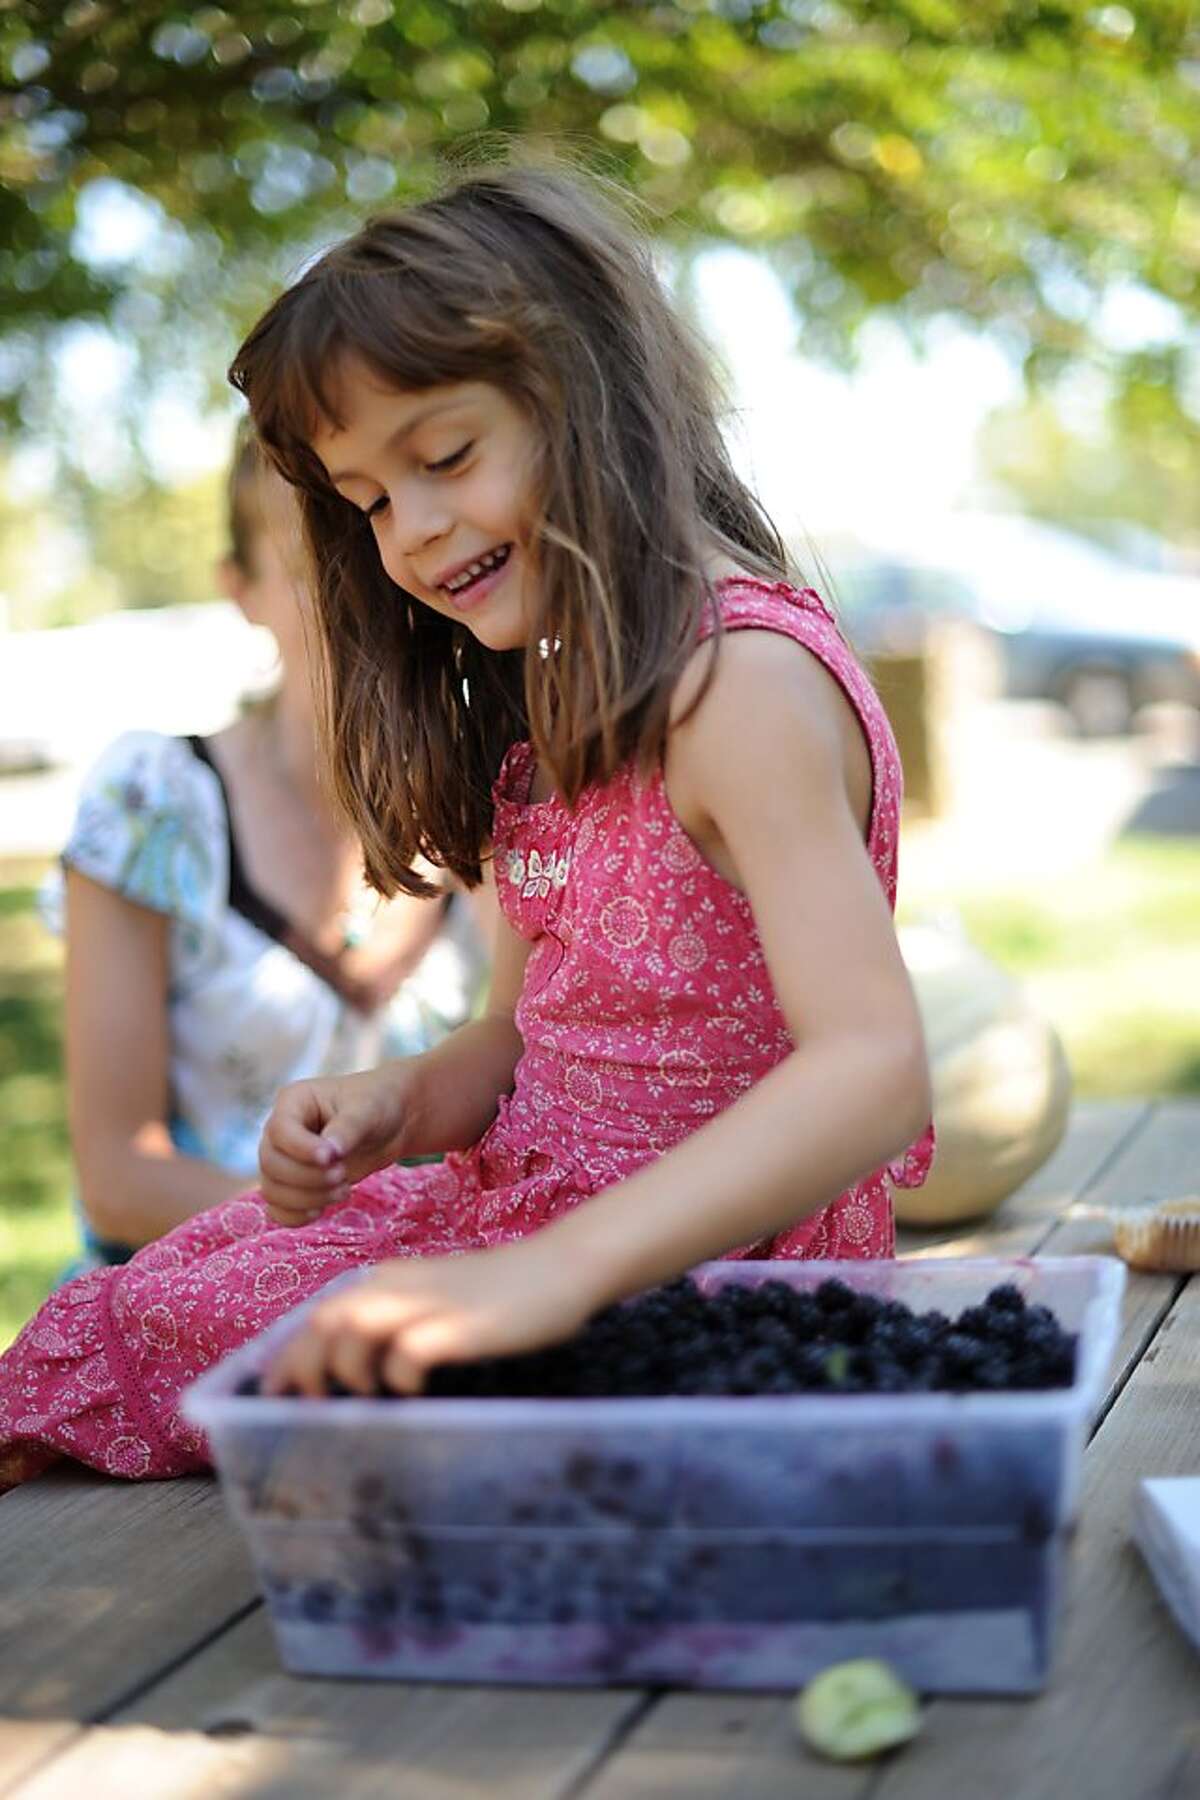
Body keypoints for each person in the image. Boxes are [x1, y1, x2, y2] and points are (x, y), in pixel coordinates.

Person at [0, 162, 933, 1491]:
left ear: (589, 395)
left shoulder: (739, 686)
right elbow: (518, 1032)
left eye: (444, 458)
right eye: (373, 502)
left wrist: (548, 1276)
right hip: (534, 1220)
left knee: (238, 1345)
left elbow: (873, 1066)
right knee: (150, 1299)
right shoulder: (564, 693)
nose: (416, 532)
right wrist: (404, 1100)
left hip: (703, 1272)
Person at [40, 429, 491, 1274]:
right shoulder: (156, 802)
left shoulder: (502, 793)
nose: (372, 574)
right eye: (320, 554)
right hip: (205, 1298)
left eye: (378, 526)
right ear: (240, 589)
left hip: (449, 1300)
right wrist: (370, 1243)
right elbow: (118, 1176)